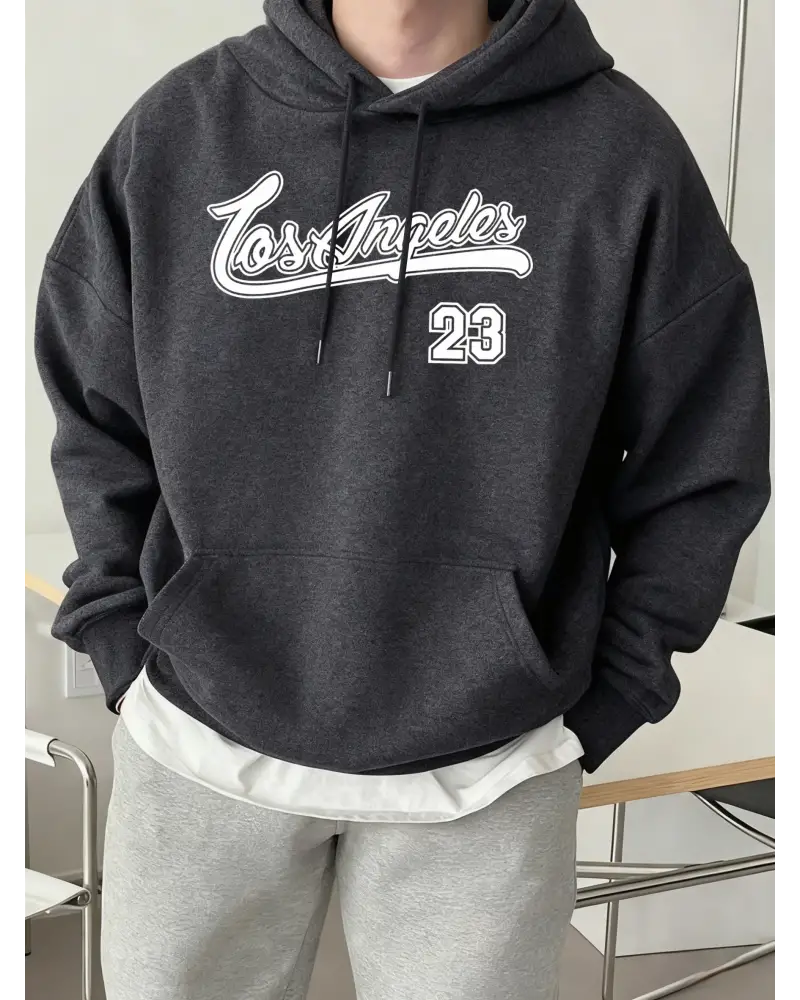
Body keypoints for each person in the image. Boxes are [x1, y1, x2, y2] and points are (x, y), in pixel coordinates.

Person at [35, 0, 771, 997]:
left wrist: (612, 694)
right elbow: (92, 408)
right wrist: (120, 637)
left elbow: (704, 452)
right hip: (197, 743)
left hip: (492, 769)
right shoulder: (181, 129)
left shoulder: (620, 151)